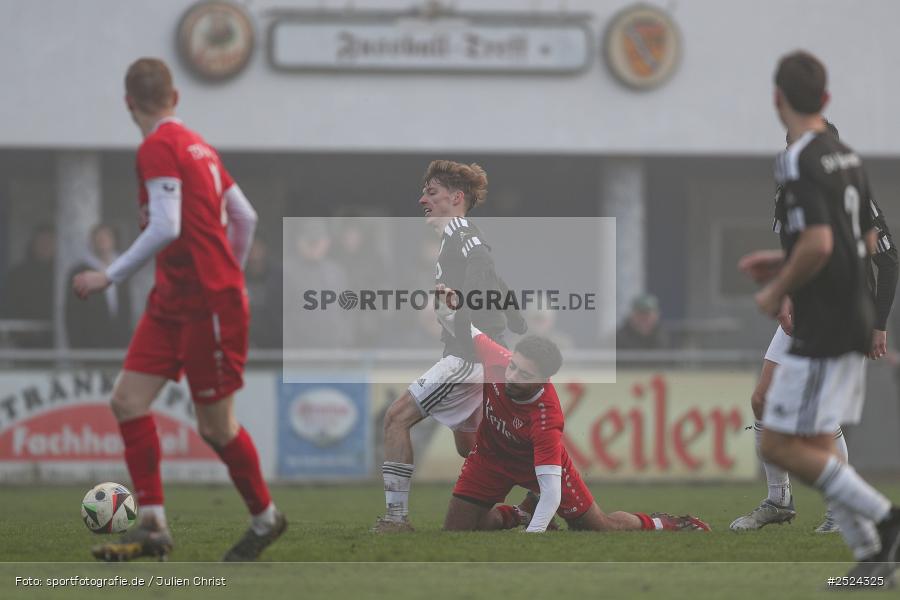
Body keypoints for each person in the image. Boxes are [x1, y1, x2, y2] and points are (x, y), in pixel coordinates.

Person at [72, 58, 284, 562]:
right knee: (127, 401)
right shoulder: (201, 148)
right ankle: (153, 526)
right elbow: (244, 215)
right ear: (175, 97)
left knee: (216, 428)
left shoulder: (159, 147)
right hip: (173, 301)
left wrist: (110, 274)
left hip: (208, 304)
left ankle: (266, 518)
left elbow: (165, 226)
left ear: (129, 103)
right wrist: (228, 265)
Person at [739, 51, 900, 581]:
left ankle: (881, 522)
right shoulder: (846, 159)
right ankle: (873, 551)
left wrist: (778, 288)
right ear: (825, 99)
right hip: (826, 305)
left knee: (796, 436)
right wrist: (787, 266)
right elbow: (852, 240)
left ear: (777, 100)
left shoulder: (798, 160)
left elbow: (827, 242)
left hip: (826, 312)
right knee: (769, 410)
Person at [374, 160, 525, 532]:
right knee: (472, 448)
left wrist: (466, 299)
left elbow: (481, 262)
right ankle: (537, 496)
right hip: (479, 354)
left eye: (432, 192)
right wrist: (515, 316)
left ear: (456, 198)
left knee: (396, 419)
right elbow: (495, 276)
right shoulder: (456, 236)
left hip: (467, 356)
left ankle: (396, 520)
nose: (422, 199)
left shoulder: (460, 230)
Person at [443, 325, 710, 533]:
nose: (512, 376)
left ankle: (661, 524)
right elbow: (463, 325)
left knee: (601, 527)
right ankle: (519, 514)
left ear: (542, 380)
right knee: (458, 529)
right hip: (490, 458)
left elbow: (551, 492)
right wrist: (447, 303)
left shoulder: (547, 416)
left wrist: (533, 535)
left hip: (535, 467)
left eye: (524, 375)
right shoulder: (498, 359)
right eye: (513, 366)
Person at [65, 224, 132, 348]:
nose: (103, 242)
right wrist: (76, 346)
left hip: (120, 342)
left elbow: (128, 307)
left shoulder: (122, 269)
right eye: (98, 239)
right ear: (92, 242)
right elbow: (72, 312)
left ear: (113, 241)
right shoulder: (80, 272)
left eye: (106, 238)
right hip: (90, 343)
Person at [1, 224, 55, 348]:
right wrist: (21, 332)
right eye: (42, 241)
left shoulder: (62, 277)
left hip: (55, 340)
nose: (45, 246)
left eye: (50, 242)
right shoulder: (17, 275)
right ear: (33, 243)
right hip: (24, 342)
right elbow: (8, 305)